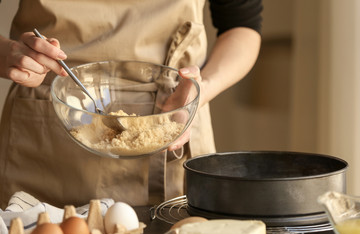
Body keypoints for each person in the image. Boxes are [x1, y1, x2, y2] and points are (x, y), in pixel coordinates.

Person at [0, 0, 262, 209]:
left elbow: (241, 25)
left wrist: (203, 87)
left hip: (175, 114)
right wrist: (7, 55)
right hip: (48, 128)